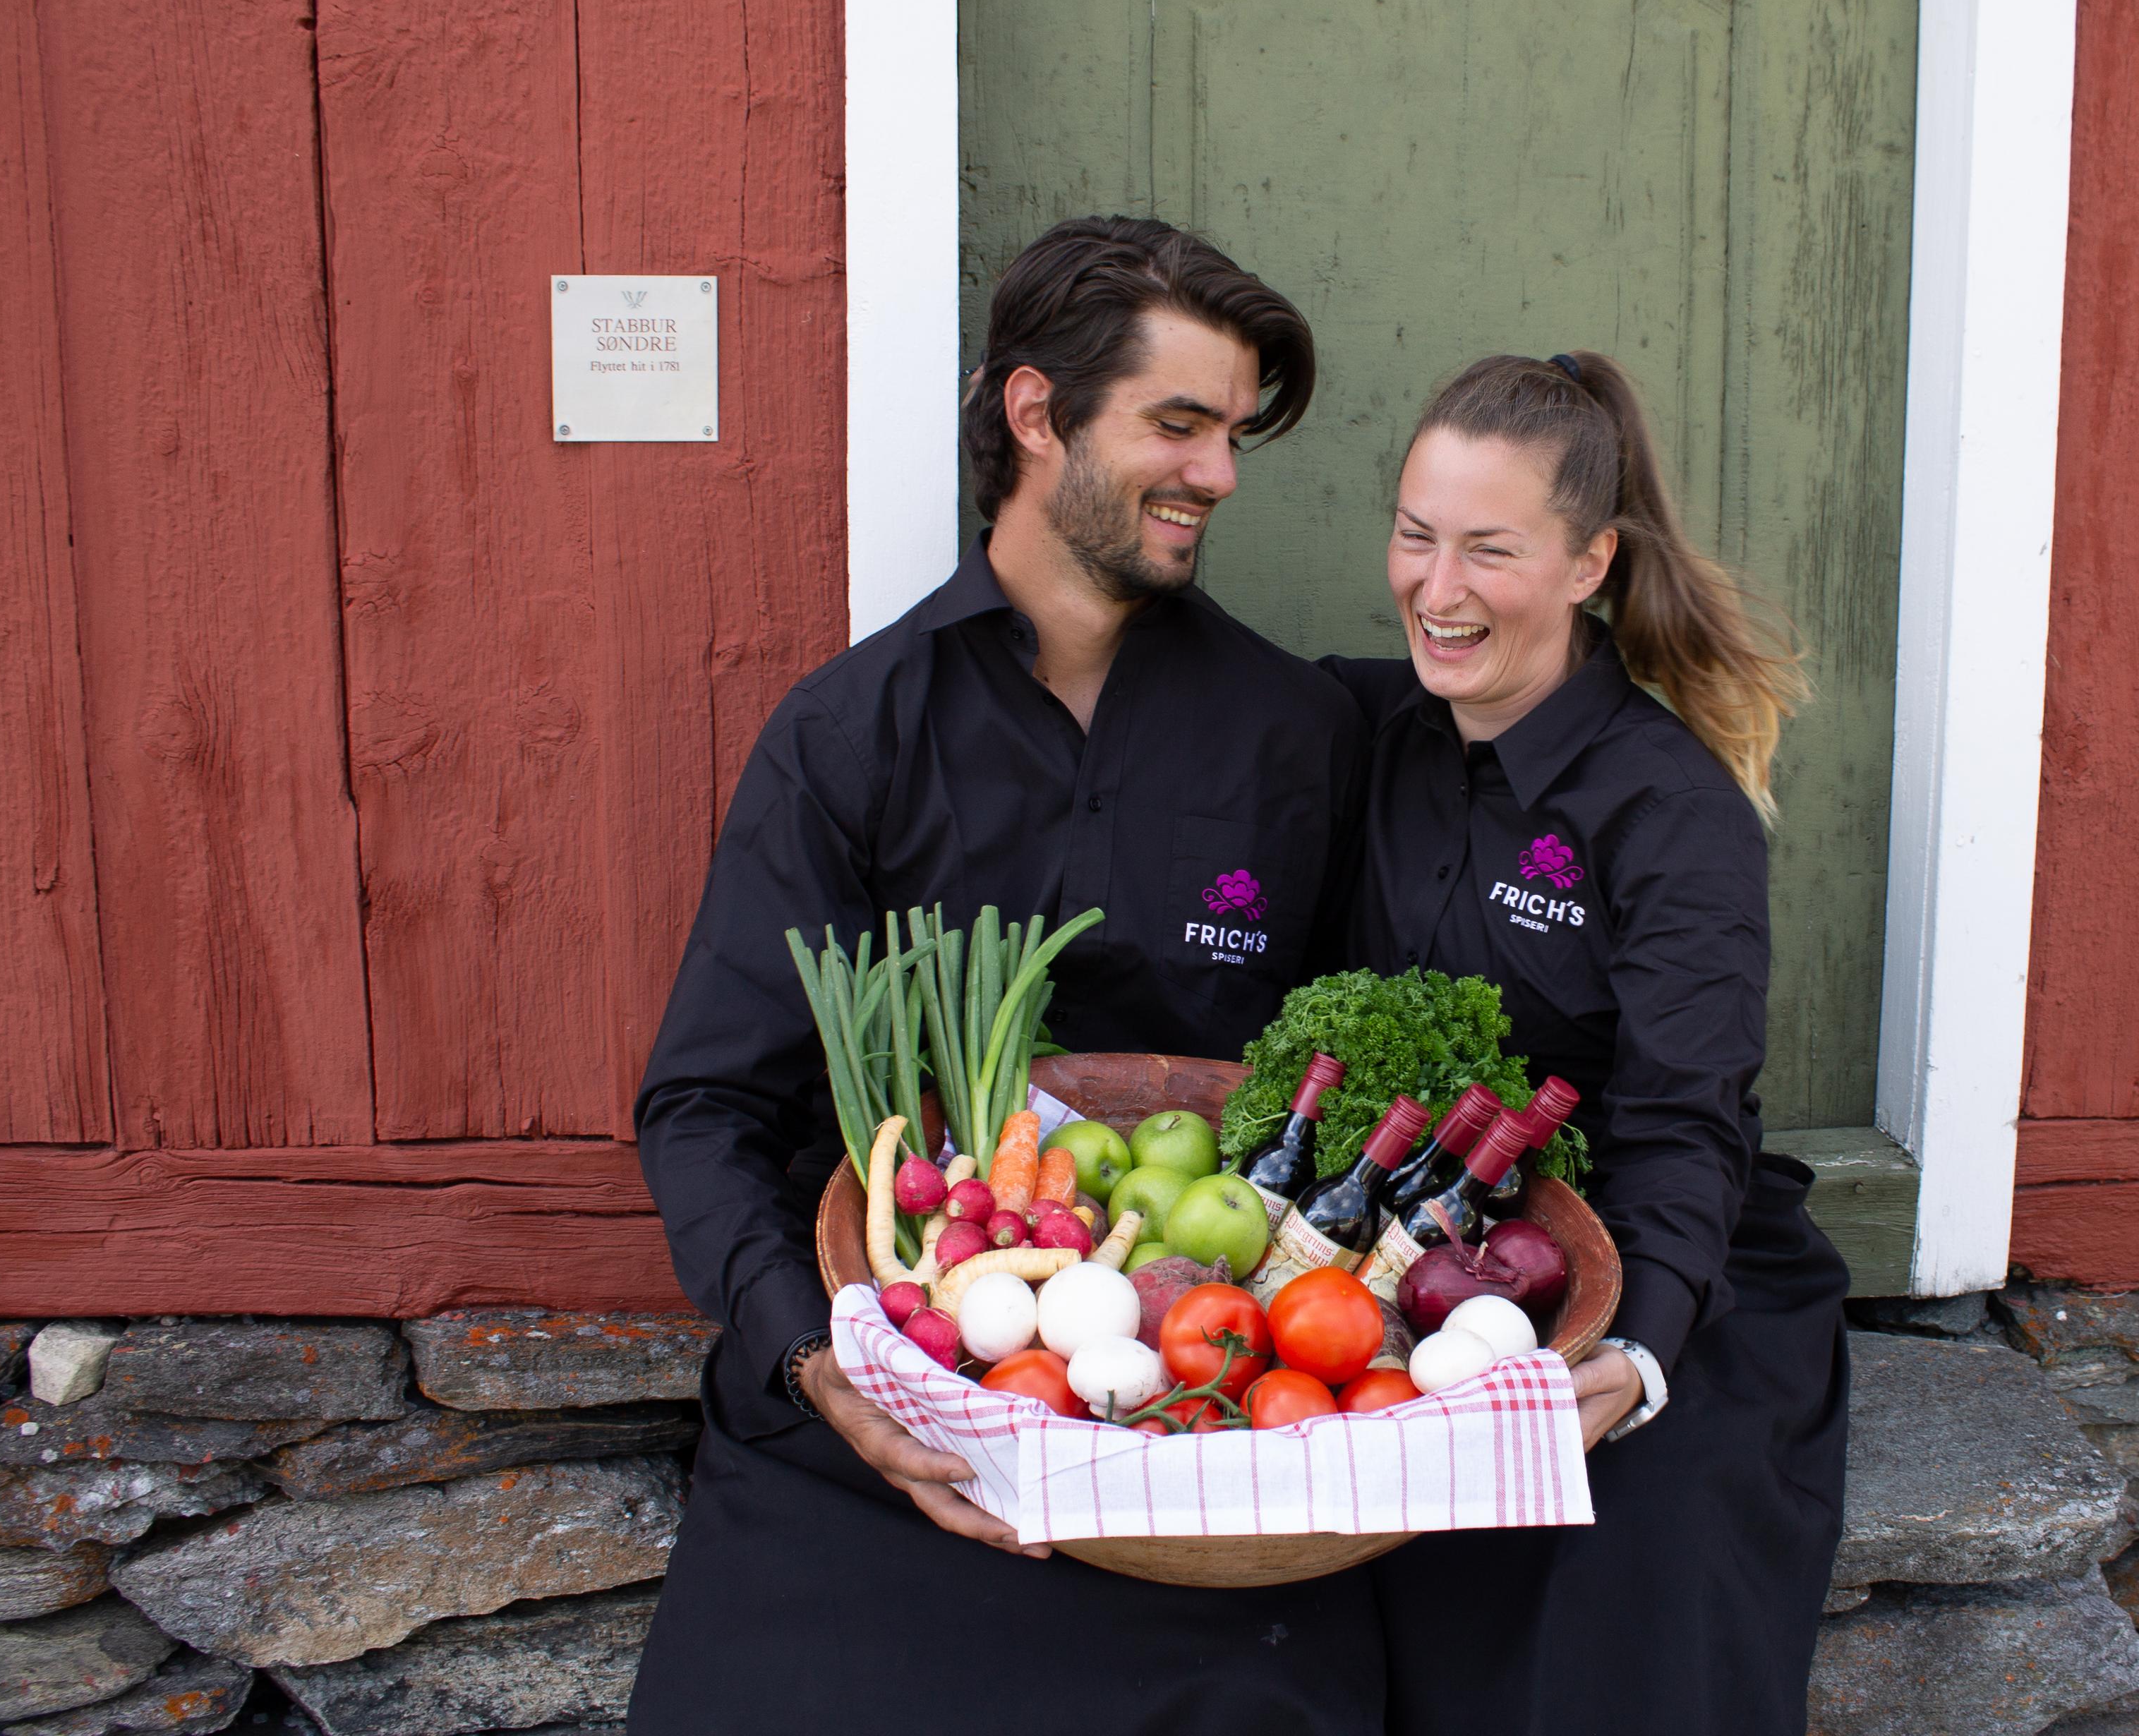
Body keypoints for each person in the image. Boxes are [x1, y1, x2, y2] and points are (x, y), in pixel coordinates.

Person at [626, 217, 1382, 1733]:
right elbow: (706, 1100)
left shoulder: (1295, 733)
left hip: (1204, 1398)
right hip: (909, 1360)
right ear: (1036, 412)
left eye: (1234, 435)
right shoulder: (854, 733)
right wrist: (812, 1355)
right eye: (1178, 424)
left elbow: (1349, 1085)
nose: (1220, 475)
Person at [1327, 351, 1847, 1735]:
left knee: (1606, 1568)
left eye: (1489, 550)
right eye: (1416, 534)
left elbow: (1693, 1115)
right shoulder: (1375, 730)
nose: (1437, 590)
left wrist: (1650, 1343)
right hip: (1428, 1222)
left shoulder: (1670, 812)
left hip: (1660, 1237)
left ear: (1588, 562)